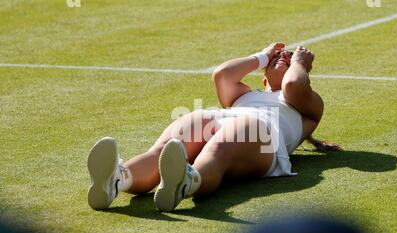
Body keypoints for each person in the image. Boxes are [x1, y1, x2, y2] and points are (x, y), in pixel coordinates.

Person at [86, 42, 341, 212]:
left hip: (264, 138)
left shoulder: (304, 106)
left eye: (287, 57)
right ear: (263, 79)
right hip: (225, 119)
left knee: (222, 145)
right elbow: (222, 75)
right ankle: (118, 179)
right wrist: (262, 55)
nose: (284, 57)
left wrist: (300, 64)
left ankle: (188, 180)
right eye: (279, 56)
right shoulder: (244, 94)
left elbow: (294, 85)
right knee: (178, 137)